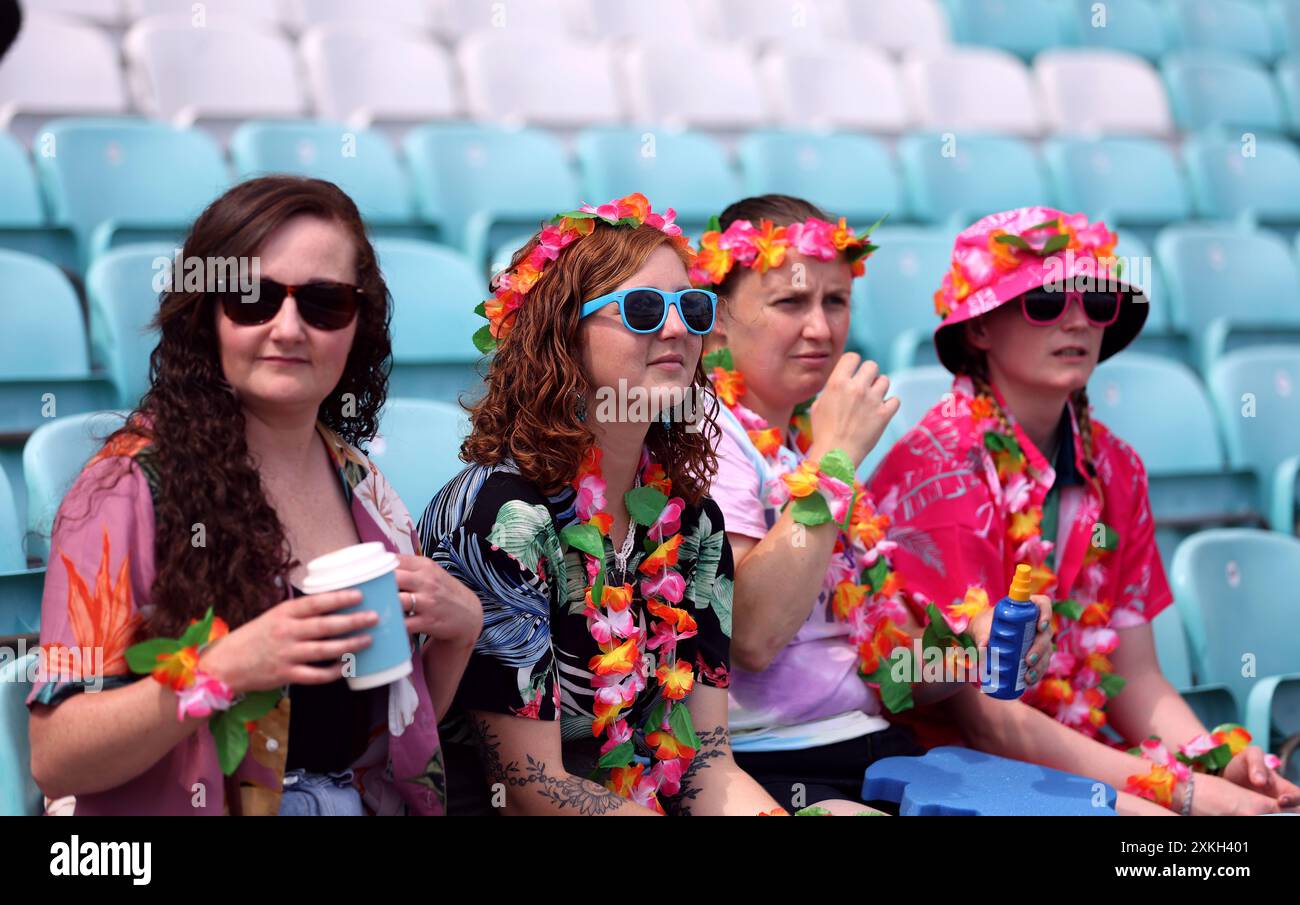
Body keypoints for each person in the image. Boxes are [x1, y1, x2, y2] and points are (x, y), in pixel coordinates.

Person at [28, 176, 481, 815]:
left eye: (324, 304)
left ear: (358, 324)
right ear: (206, 314)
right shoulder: (127, 487)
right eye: (253, 299)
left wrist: (456, 639)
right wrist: (219, 671)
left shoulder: (362, 484)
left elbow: (384, 734)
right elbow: (57, 756)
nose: (288, 328)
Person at [419, 193, 853, 815]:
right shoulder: (503, 517)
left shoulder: (694, 524)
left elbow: (705, 763)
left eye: (693, 306)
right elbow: (528, 786)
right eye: (644, 309)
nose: (678, 327)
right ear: (561, 334)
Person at [867, 206, 1300, 815]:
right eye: (1044, 303)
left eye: (1096, 302)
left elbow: (1138, 677)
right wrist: (1187, 792)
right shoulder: (933, 474)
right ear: (980, 330)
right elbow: (988, 720)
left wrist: (1219, 759)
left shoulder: (1117, 467)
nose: (1076, 320)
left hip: (1077, 755)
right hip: (957, 768)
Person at [694, 194, 1054, 810]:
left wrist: (976, 650)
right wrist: (832, 465)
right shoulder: (708, 428)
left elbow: (892, 679)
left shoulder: (801, 444)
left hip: (880, 748)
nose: (821, 328)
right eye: (790, 301)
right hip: (771, 766)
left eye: (836, 301)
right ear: (719, 318)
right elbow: (750, 633)